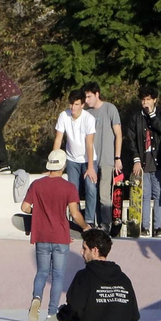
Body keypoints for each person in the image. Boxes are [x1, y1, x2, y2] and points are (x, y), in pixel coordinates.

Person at [57, 229, 140, 321]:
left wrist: (62, 315)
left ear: (95, 251)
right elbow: (134, 315)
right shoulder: (123, 279)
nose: (82, 253)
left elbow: (74, 308)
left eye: (84, 248)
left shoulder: (84, 277)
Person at [22, 149, 87, 321]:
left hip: (41, 236)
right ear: (63, 165)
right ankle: (51, 314)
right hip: (60, 237)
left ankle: (36, 298)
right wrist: (85, 227)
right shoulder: (69, 187)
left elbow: (25, 208)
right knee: (58, 276)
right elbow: (75, 214)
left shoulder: (37, 185)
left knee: (42, 272)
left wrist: (38, 214)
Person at [123, 86, 161, 238]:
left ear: (154, 100)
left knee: (158, 194)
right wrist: (136, 159)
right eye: (143, 100)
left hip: (159, 160)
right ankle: (144, 226)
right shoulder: (136, 117)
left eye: (148, 99)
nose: (145, 102)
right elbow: (131, 139)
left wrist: (152, 116)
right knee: (144, 194)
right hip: (142, 160)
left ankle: (158, 227)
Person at [83, 82, 124, 233]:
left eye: (89, 96)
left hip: (107, 158)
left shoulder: (109, 108)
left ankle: (106, 224)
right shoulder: (87, 113)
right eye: (85, 97)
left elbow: (118, 134)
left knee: (104, 194)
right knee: (90, 191)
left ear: (97, 94)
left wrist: (117, 157)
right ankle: (91, 222)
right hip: (91, 159)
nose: (87, 100)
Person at [52, 90, 98, 222]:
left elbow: (89, 144)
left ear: (82, 105)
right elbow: (58, 140)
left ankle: (89, 220)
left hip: (88, 159)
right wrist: (54, 164)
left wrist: (90, 167)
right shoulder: (63, 116)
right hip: (71, 159)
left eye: (76, 104)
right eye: (71, 104)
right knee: (72, 190)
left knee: (90, 187)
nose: (73, 107)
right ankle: (75, 218)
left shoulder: (89, 119)